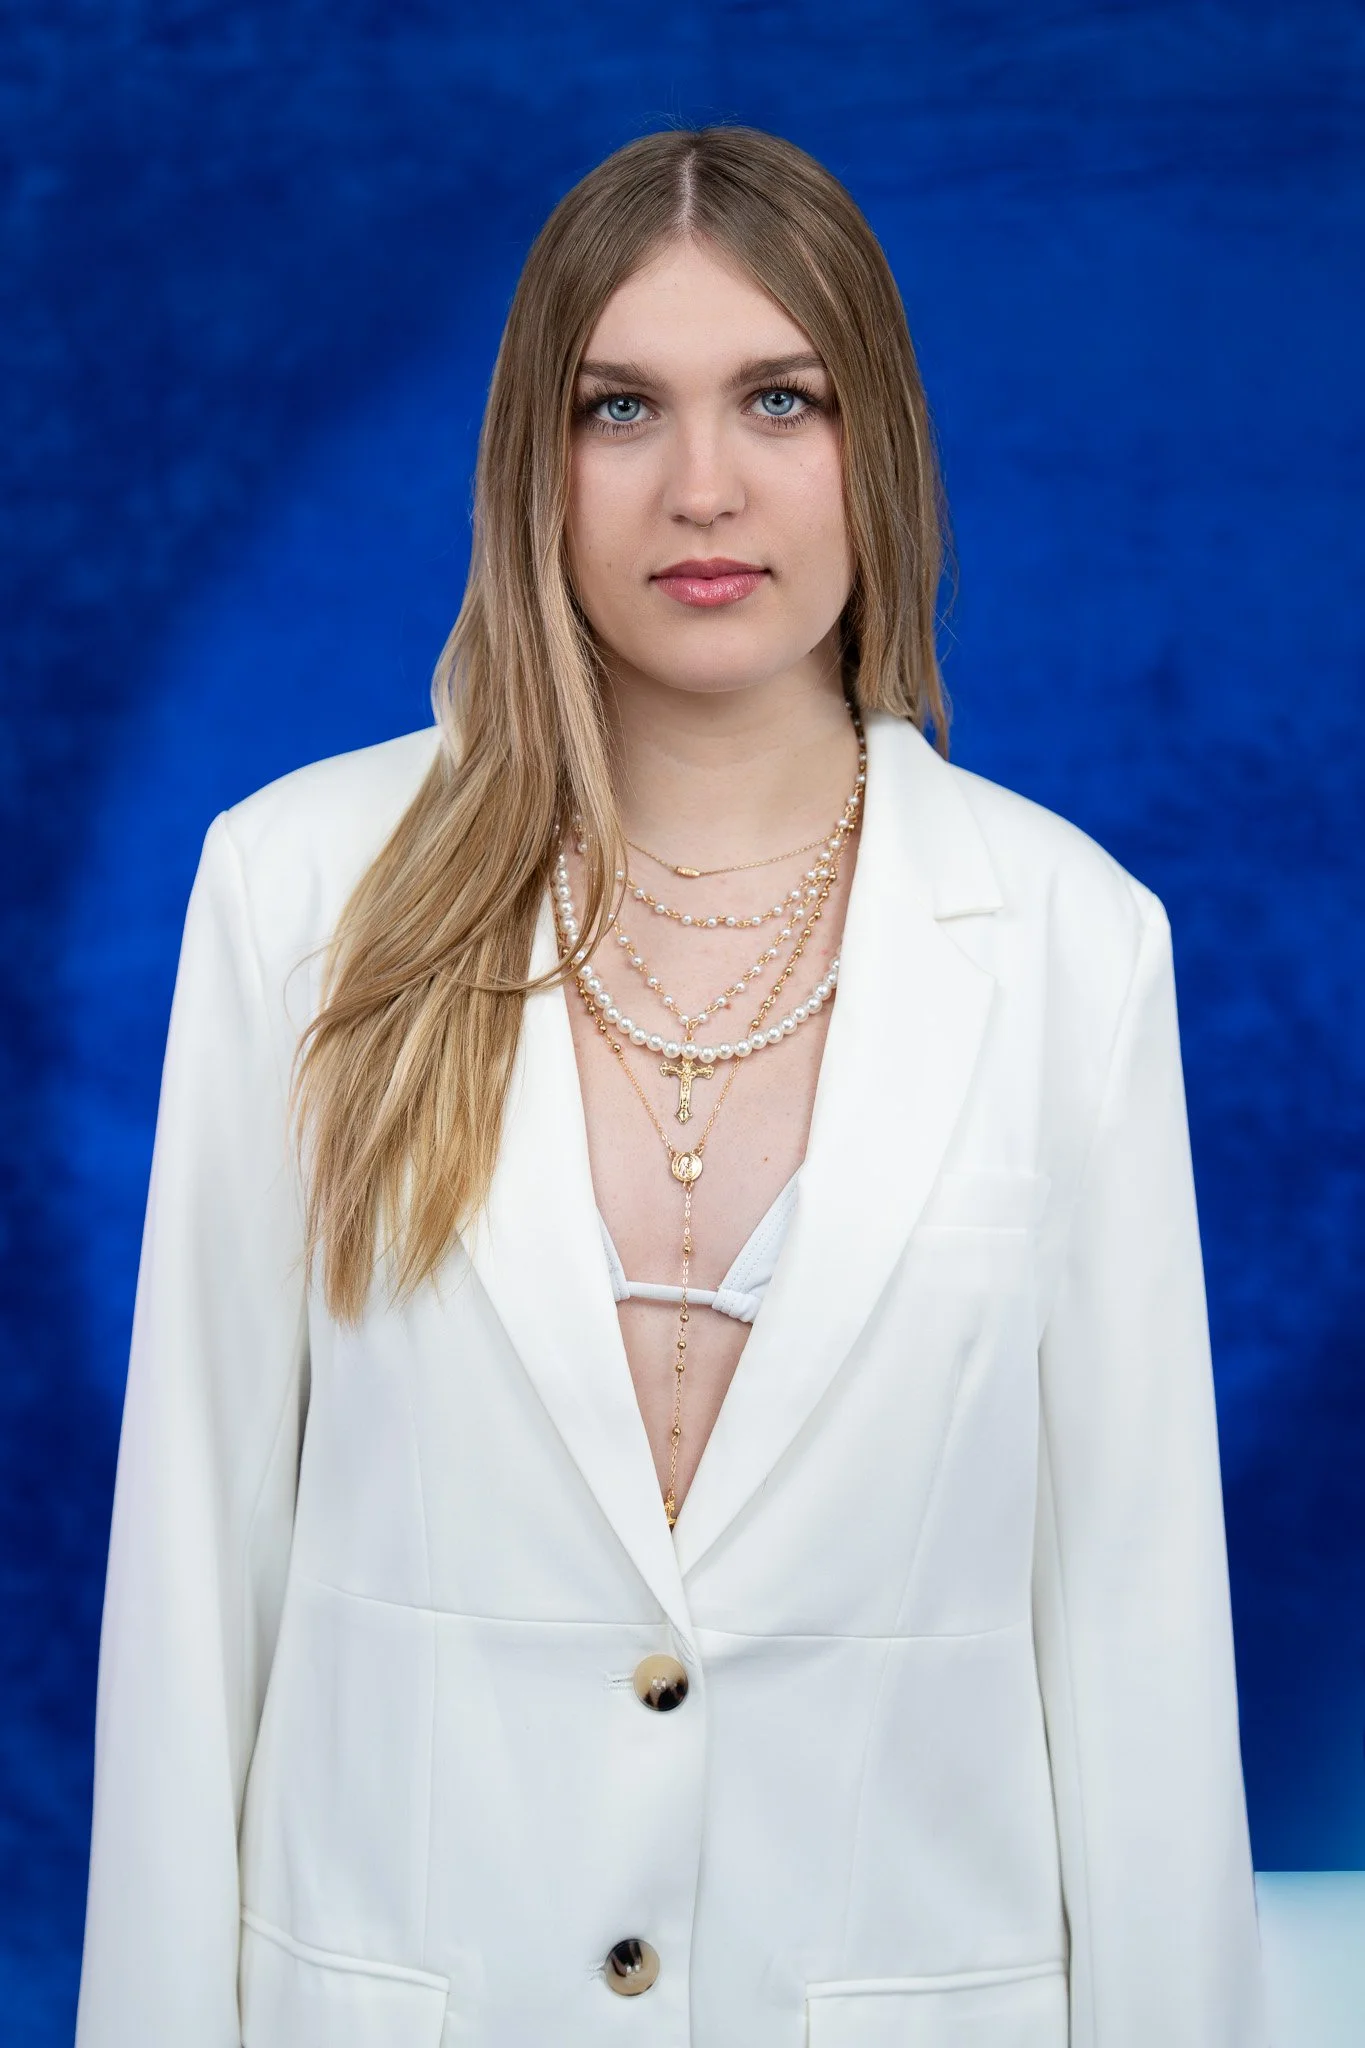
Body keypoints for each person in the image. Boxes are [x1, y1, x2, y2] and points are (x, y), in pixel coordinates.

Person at [74, 125, 1268, 2047]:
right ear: (531, 469)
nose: (701, 487)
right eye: (621, 406)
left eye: (776, 400)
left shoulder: (1072, 941)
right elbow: (194, 1586)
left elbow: (1140, 1636)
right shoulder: (298, 892)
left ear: (872, 443)